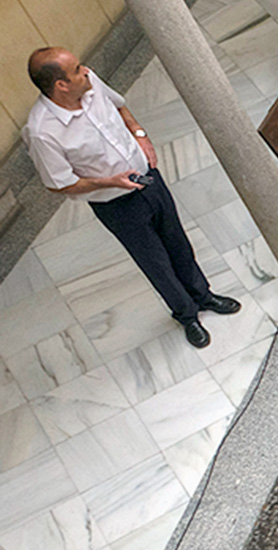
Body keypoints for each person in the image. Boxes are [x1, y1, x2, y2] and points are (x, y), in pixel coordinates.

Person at [23, 48, 242, 350]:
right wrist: (110, 181)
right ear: (61, 85)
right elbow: (59, 184)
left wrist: (140, 134)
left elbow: (120, 106)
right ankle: (186, 314)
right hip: (117, 204)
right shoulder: (41, 132)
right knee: (155, 261)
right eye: (76, 69)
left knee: (177, 241)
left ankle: (203, 295)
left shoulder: (90, 83)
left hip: (149, 179)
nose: (85, 70)